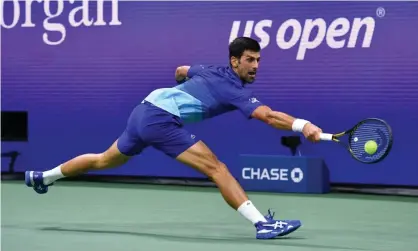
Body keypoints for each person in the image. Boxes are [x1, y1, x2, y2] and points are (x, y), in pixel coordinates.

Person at [25, 37, 323, 239]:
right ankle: (263, 224)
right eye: (249, 60)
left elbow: (181, 70)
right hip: (159, 119)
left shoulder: (208, 70)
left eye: (258, 60)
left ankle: (44, 177)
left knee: (104, 160)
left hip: (143, 110)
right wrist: (303, 125)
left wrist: (182, 87)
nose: (255, 66)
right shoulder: (232, 88)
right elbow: (268, 116)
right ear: (235, 62)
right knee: (216, 168)